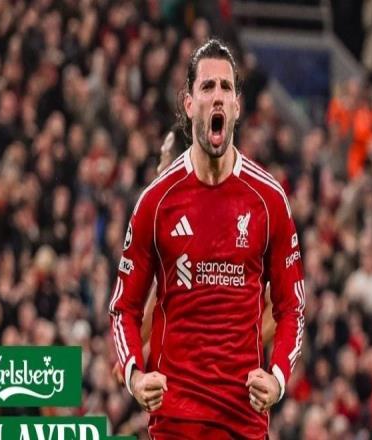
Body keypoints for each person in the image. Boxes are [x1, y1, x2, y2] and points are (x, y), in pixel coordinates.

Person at [109, 39, 305, 439]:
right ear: (188, 103)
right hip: (175, 422)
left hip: (243, 422)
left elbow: (292, 308)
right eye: (207, 86)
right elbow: (124, 308)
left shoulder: (268, 200)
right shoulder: (155, 203)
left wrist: (278, 378)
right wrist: (133, 375)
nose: (217, 96)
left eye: (226, 87)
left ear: (237, 106)